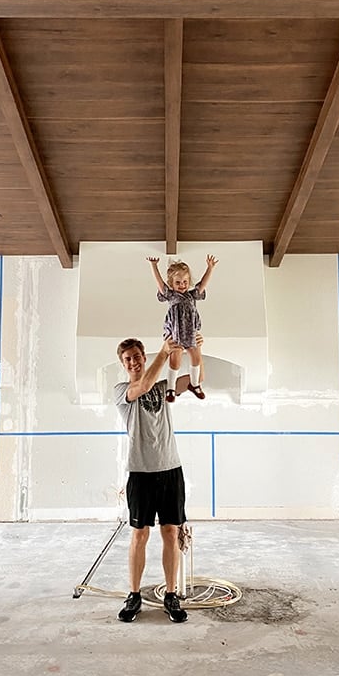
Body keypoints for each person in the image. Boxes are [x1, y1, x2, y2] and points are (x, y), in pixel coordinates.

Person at [114, 335, 202, 623]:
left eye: (137, 355)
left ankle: (171, 595)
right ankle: (135, 595)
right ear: (123, 363)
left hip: (170, 469)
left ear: (143, 356)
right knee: (140, 534)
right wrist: (164, 353)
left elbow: (194, 379)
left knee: (171, 532)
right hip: (140, 472)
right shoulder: (122, 391)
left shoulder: (165, 387)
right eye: (128, 358)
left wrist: (194, 348)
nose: (134, 360)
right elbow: (144, 386)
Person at [147, 254, 218, 402]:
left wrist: (210, 268)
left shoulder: (192, 296)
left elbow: (202, 284)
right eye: (178, 282)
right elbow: (160, 284)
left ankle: (194, 384)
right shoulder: (171, 296)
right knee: (175, 360)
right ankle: (171, 388)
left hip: (190, 331)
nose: (182, 285)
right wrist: (154, 266)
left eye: (185, 282)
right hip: (176, 331)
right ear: (172, 284)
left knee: (196, 357)